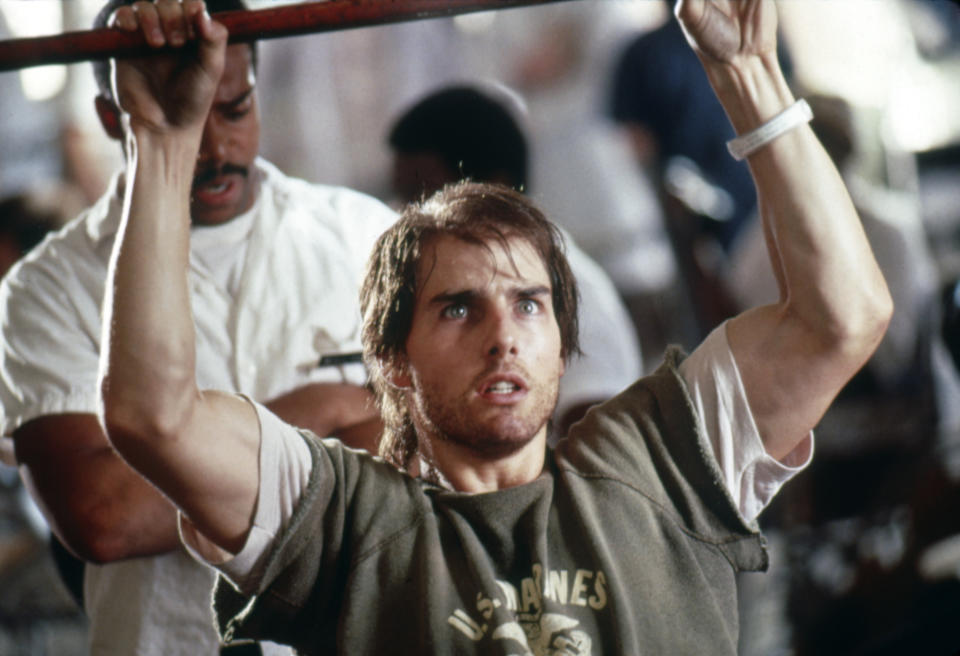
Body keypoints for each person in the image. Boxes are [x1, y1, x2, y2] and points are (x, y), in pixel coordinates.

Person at [97, 0, 892, 652]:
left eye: (529, 304)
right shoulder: (343, 523)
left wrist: (750, 75)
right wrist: (164, 141)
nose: (502, 334)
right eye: (456, 307)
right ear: (394, 364)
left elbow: (842, 319)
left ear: (561, 340)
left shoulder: (658, 459)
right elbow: (154, 417)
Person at [0, 0, 396, 654]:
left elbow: (416, 457)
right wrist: (321, 410)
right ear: (112, 118)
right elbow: (104, 518)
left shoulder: (364, 238)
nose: (213, 147)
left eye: (234, 109)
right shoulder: (47, 289)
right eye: (185, 112)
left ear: (258, 92)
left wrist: (175, 466)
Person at [388, 83, 642, 435]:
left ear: (493, 187)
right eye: (401, 201)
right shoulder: (439, 283)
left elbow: (596, 443)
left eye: (423, 198)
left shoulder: (571, 292)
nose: (403, 219)